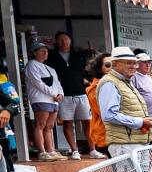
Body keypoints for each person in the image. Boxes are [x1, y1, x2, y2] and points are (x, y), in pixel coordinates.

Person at [47, 31, 91, 159]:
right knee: (67, 123)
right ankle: (75, 150)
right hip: (64, 94)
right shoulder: (52, 56)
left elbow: (88, 70)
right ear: (56, 42)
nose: (64, 42)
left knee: (87, 122)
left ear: (70, 41)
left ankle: (92, 149)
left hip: (81, 93)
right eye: (60, 39)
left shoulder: (78, 55)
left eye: (66, 39)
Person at [24, 42, 64, 160]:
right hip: (40, 98)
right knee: (40, 125)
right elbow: (37, 83)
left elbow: (58, 83)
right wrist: (54, 94)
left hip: (53, 100)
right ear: (34, 52)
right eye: (42, 51)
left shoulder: (50, 68)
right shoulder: (31, 65)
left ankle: (51, 151)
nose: (45, 53)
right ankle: (42, 152)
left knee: (50, 126)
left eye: (46, 51)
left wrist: (60, 94)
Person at [83, 53, 111, 158]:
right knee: (120, 169)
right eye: (108, 65)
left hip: (119, 134)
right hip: (107, 135)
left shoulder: (115, 83)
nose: (112, 67)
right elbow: (106, 113)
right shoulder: (95, 88)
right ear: (99, 68)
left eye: (115, 64)